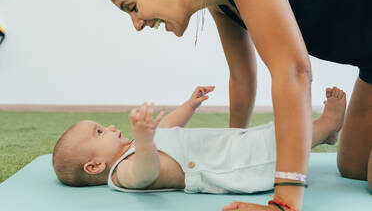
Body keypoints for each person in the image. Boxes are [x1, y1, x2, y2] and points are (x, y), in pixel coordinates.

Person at [97, 0, 372, 210]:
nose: (137, 24)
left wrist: (284, 203)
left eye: (131, 7)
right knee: (353, 168)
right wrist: (234, 151)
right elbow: (242, 76)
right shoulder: (220, 1)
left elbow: (293, 71)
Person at [53, 86, 350, 202]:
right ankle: (326, 127)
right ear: (95, 166)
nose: (111, 127)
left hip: (224, 147)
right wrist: (143, 141)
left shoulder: (134, 146)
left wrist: (189, 105)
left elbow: (169, 125)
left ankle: (322, 134)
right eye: (99, 133)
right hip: (229, 167)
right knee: (275, 146)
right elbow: (145, 173)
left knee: (269, 134)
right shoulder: (123, 172)